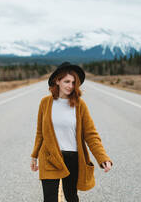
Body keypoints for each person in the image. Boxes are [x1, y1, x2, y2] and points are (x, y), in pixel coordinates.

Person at [30, 62, 113, 202]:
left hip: (72, 158)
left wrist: (103, 158)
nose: (70, 86)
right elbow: (40, 132)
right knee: (49, 198)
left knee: (71, 197)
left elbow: (91, 135)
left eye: (74, 82)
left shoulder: (80, 105)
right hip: (50, 156)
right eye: (67, 81)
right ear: (57, 81)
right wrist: (34, 156)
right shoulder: (45, 103)